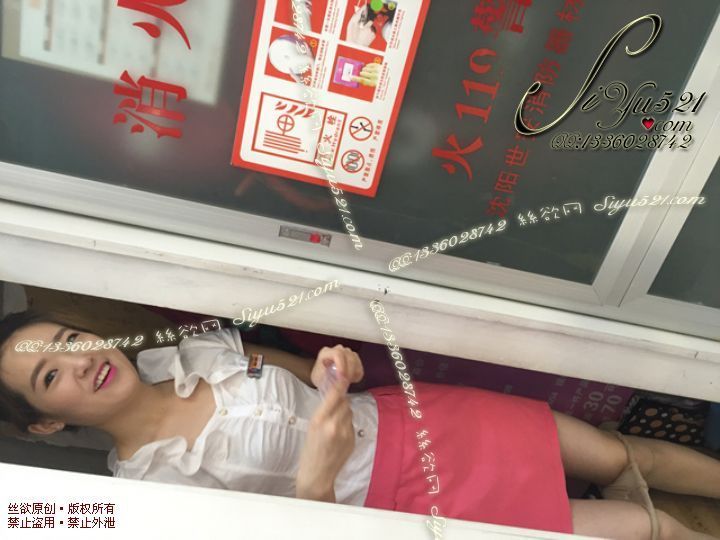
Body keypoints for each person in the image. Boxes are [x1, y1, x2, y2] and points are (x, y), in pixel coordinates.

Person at [0, 311, 718, 540]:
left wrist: (334, 367)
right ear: (44, 425)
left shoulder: (195, 351)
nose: (81, 361)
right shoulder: (148, 497)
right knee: (641, 527)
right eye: (50, 375)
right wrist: (316, 487)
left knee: (622, 457)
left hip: (422, 419)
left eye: (68, 340)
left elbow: (323, 374)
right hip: (409, 513)